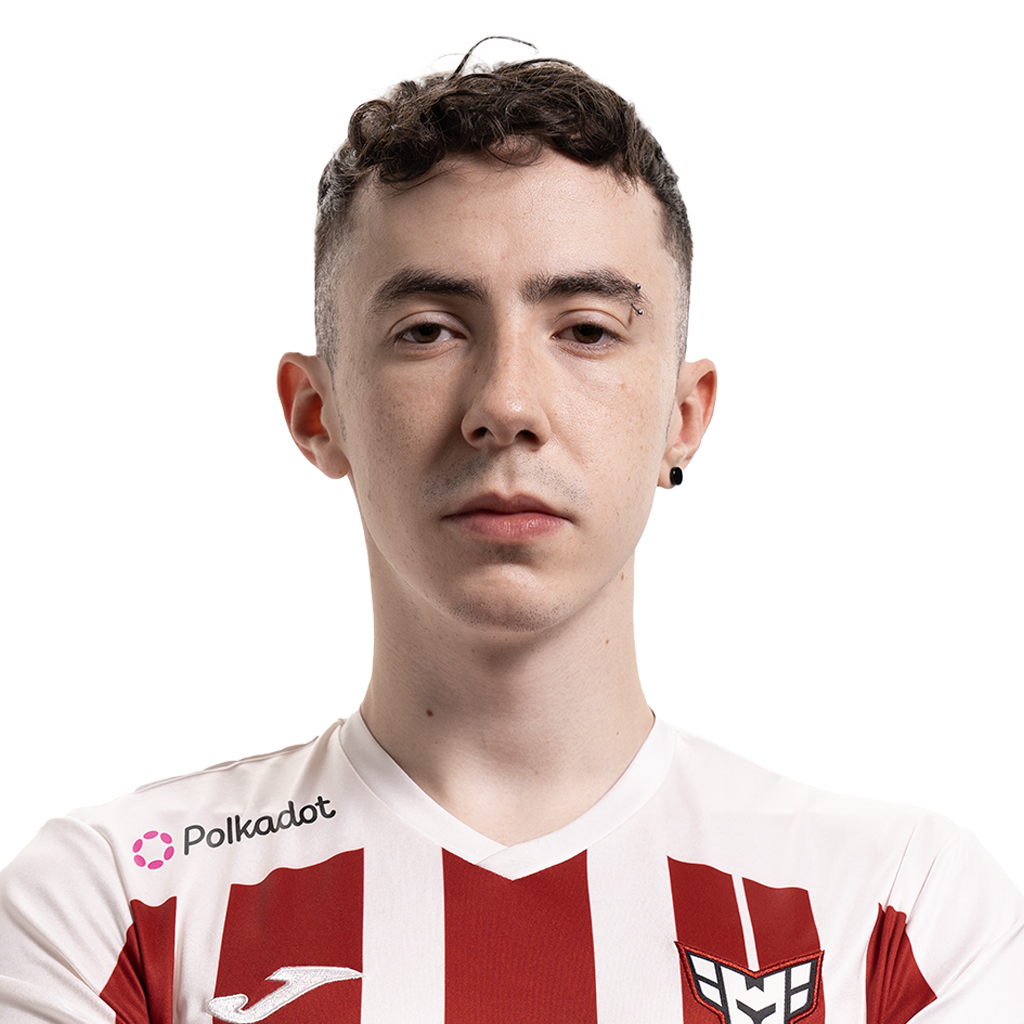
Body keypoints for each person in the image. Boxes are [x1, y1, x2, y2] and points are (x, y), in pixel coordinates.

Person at [1, 35, 1021, 1024]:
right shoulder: (109, 904)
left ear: (684, 414)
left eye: (585, 330)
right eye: (429, 331)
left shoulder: (900, 910)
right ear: (318, 414)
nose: (506, 404)